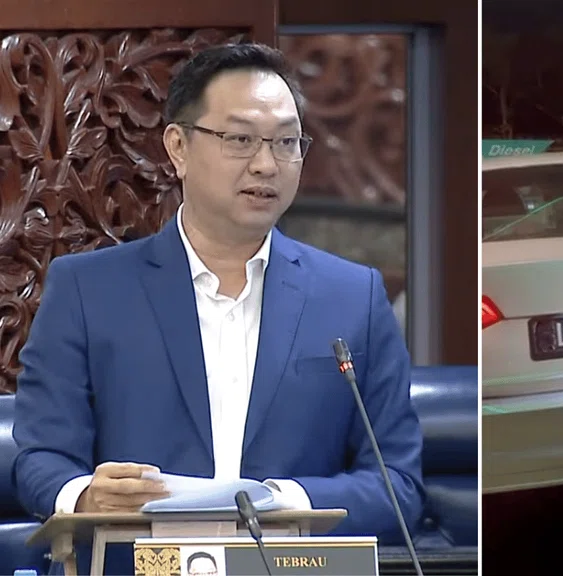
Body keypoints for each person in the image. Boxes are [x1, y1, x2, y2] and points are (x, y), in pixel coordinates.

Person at [12, 43, 424, 573]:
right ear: (178, 147)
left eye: (286, 142)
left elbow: (399, 486)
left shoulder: (354, 297)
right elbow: (40, 459)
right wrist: (86, 496)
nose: (266, 164)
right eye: (240, 139)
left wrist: (280, 503)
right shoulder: (88, 290)